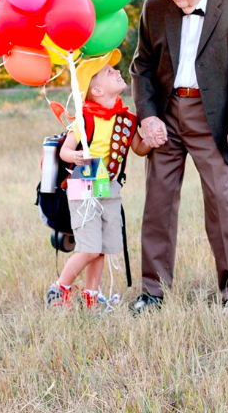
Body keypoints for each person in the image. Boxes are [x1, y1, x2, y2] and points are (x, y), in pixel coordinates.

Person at [130, 0, 228, 313]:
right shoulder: (155, 7)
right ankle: (152, 293)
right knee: (157, 202)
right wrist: (148, 116)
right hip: (166, 112)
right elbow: (141, 66)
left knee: (224, 201)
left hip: (214, 117)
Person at [46, 48, 152, 310]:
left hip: (110, 186)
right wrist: (77, 155)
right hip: (85, 184)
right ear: (97, 91)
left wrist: (151, 141)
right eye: (108, 71)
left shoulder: (125, 119)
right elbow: (65, 151)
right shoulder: (84, 119)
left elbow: (138, 148)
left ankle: (92, 296)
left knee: (102, 247)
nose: (117, 71)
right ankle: (60, 289)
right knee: (89, 247)